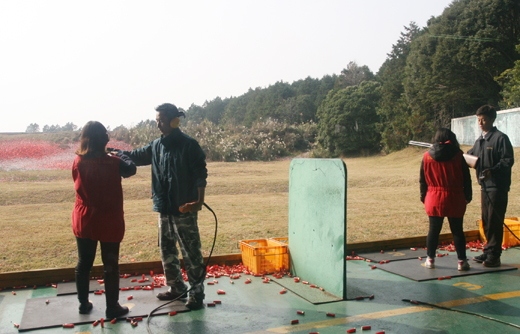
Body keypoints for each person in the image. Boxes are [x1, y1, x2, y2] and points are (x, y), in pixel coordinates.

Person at [114, 103, 208, 310]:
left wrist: (199, 202)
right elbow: (136, 156)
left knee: (191, 252)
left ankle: (197, 293)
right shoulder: (156, 145)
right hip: (164, 207)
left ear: (175, 121)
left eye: (162, 121)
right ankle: (176, 288)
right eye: (157, 121)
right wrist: (114, 153)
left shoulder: (189, 145)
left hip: (184, 208)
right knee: (167, 249)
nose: (159, 125)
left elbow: (201, 174)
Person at [72, 121, 136, 318]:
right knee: (110, 265)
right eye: (106, 135)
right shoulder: (115, 162)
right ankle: (112, 307)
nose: (109, 138)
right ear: (101, 140)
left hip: (85, 218)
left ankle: (83, 304)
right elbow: (131, 168)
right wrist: (119, 154)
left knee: (84, 263)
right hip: (109, 219)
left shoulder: (77, 161)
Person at [468, 105, 514, 267]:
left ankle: (495, 255)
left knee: (495, 220)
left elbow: (507, 161)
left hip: (498, 187)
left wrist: (492, 171)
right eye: (478, 119)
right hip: (484, 187)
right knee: (486, 220)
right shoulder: (480, 140)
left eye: (484, 119)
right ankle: (488, 251)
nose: (480, 123)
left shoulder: (500, 138)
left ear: (492, 120)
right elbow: (470, 156)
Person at [420, 128, 472, 271]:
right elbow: (466, 178)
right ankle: (462, 261)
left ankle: (430, 259)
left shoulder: (426, 156)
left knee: (433, 231)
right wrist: (468, 196)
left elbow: (422, 180)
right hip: (455, 197)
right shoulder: (458, 155)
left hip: (434, 197)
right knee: (457, 231)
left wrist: (423, 196)